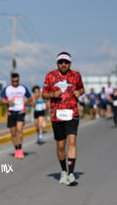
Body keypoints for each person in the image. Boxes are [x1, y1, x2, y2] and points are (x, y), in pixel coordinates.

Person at [42, 51, 85, 186]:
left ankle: (71, 174)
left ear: (70, 63)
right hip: (57, 115)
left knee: (72, 141)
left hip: (72, 113)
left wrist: (79, 92)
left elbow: (82, 89)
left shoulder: (76, 75)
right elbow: (44, 94)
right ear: (57, 63)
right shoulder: (50, 76)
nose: (63, 64)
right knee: (61, 145)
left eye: (66, 62)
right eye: (61, 62)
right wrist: (53, 94)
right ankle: (63, 171)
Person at [0, 72, 32, 158]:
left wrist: (26, 101)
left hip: (20, 111)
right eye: (14, 81)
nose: (15, 83)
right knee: (13, 133)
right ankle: (16, 149)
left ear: (19, 80)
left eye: (17, 81)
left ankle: (20, 149)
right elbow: (2, 100)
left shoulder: (23, 88)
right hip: (11, 111)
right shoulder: (7, 89)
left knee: (19, 129)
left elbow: (30, 97)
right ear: (11, 80)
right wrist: (9, 101)